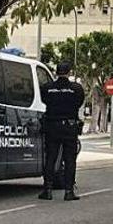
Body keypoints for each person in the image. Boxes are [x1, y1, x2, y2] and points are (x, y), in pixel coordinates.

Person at [39, 62, 86, 201]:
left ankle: (47, 190)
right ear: (69, 72)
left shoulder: (47, 88)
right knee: (69, 159)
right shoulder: (76, 89)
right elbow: (79, 102)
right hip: (69, 127)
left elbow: (44, 101)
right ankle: (68, 191)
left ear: (56, 72)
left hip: (52, 126)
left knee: (50, 158)